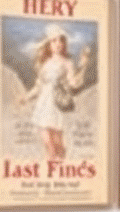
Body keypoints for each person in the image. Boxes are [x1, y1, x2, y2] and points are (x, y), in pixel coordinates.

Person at [20, 24, 90, 161]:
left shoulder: (67, 63)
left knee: (58, 144)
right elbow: (39, 86)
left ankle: (59, 166)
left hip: (57, 105)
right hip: (43, 106)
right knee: (48, 144)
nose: (58, 44)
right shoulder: (44, 63)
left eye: (61, 40)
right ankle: (52, 165)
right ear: (48, 44)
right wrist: (26, 98)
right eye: (54, 41)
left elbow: (73, 84)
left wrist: (83, 65)